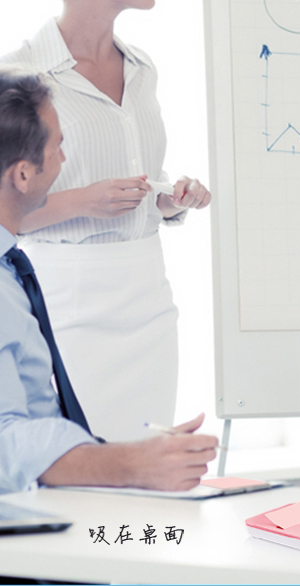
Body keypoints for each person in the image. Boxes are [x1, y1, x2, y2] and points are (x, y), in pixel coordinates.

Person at [1, 0, 211, 441]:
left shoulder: (143, 68)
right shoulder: (20, 76)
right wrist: (84, 201)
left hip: (148, 299)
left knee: (144, 462)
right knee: (82, 465)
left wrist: (167, 199)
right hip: (68, 303)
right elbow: (5, 210)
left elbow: (137, 177)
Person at [0, 69, 217, 493]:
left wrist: (137, 456)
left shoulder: (11, 271)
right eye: (58, 147)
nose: (64, 159)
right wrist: (131, 464)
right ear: (23, 174)